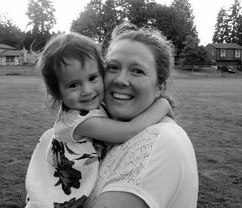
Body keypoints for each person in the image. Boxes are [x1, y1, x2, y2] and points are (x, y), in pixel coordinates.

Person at [25, 33, 173, 208]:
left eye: (93, 78)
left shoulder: (91, 107)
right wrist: (163, 105)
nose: (87, 90)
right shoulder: (78, 121)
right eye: (73, 85)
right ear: (58, 93)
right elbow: (129, 130)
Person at [84, 23, 198, 208]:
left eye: (137, 71)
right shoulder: (105, 131)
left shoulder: (160, 144)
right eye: (113, 67)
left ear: (160, 86)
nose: (120, 80)